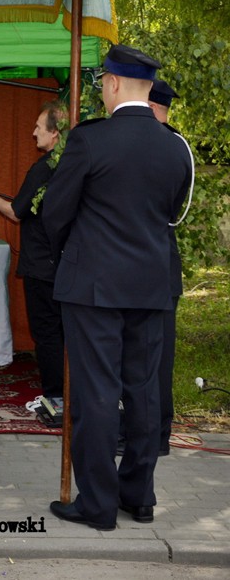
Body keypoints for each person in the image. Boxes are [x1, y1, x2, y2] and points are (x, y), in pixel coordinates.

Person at [43, 45, 192, 530]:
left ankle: (97, 504)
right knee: (144, 392)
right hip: (150, 284)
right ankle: (139, 495)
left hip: (93, 287)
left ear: (110, 84)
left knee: (97, 392)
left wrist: (78, 250)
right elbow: (170, 214)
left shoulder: (91, 141)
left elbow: (55, 213)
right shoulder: (175, 147)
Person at [0, 100, 67, 415]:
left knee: (47, 333)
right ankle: (69, 393)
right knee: (66, 332)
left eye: (39, 127)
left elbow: (15, 213)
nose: (33, 133)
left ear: (55, 133)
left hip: (43, 264)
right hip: (67, 263)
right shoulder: (72, 164)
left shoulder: (45, 167)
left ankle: (55, 398)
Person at [146, 79, 192, 457]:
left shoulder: (171, 147)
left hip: (157, 264)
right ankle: (146, 431)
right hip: (151, 265)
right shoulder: (169, 144)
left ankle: (156, 434)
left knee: (157, 358)